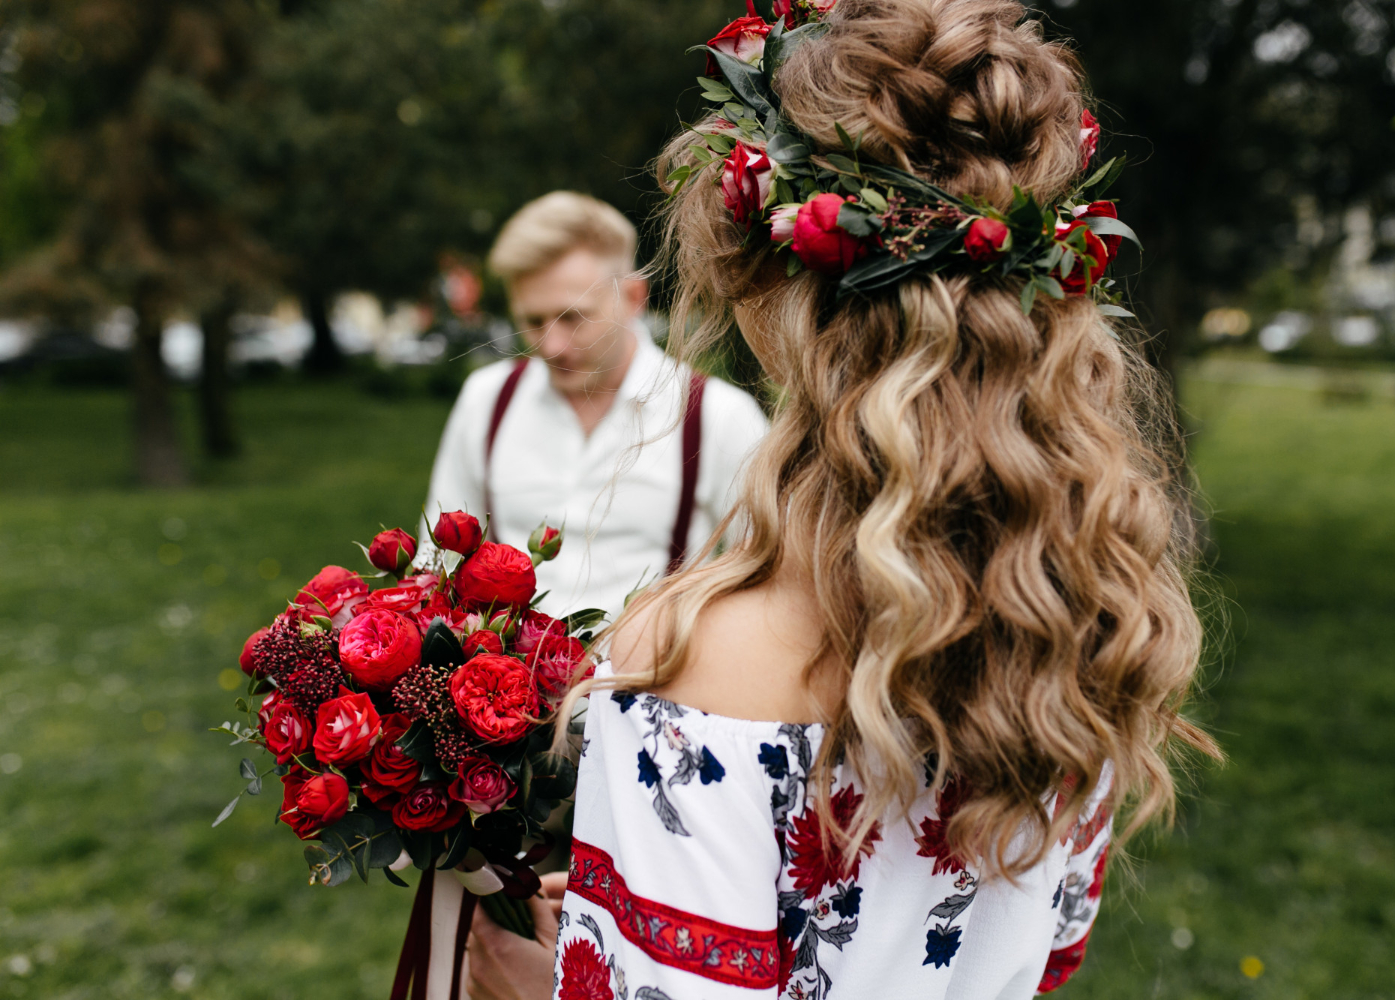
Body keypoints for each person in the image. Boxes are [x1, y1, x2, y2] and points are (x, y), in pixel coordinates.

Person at [464, 1, 1218, 997]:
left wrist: (544, 983)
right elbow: (1042, 959)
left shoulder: (688, 668)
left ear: (778, 300)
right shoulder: (1094, 612)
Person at [419, 191, 769, 619]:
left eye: (574, 317)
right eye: (532, 321)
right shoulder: (487, 399)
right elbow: (436, 563)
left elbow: (769, 584)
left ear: (634, 298)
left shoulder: (717, 415)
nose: (552, 345)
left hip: (656, 678)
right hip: (501, 680)